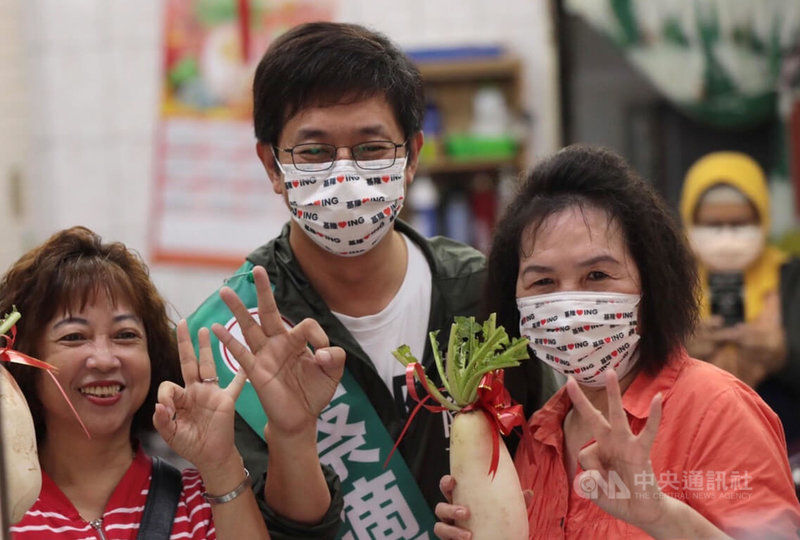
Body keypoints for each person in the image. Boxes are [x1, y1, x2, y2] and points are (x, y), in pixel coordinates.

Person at [186, 21, 552, 539]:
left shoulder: (484, 294)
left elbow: (553, 461)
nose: (344, 177)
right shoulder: (236, 334)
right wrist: (294, 437)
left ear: (412, 157)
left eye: (371, 148)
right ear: (271, 164)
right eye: (313, 152)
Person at [434, 145, 800, 539]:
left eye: (596, 276)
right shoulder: (540, 435)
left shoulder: (717, 410)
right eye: (543, 282)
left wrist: (661, 516)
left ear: (652, 281)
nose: (569, 305)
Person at [2, 226, 344, 539]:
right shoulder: (6, 511)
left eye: (125, 335)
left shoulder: (207, 502)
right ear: (20, 354)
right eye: (74, 336)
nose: (105, 359)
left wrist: (221, 463)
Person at [680, 151, 800, 447]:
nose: (726, 235)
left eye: (740, 222)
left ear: (763, 218)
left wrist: (784, 357)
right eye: (711, 224)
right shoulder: (669, 281)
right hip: (692, 446)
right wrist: (679, 353)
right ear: (688, 219)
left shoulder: (792, 277)